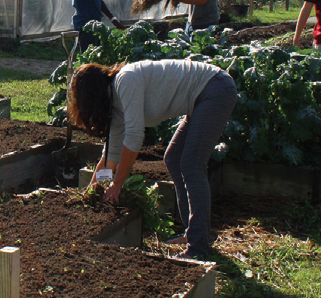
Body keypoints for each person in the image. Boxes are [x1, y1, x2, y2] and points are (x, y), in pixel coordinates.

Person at [67, 59, 237, 260]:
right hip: (201, 96)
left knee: (192, 165)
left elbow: (134, 137)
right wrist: (91, 193)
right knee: (174, 158)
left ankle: (198, 247)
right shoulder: (115, 104)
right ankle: (191, 232)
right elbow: (110, 154)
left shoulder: (125, 81)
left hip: (214, 88)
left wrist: (117, 184)